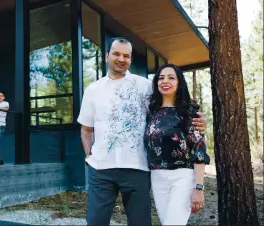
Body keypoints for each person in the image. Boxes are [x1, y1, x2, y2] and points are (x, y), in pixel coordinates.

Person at [77, 37, 207, 226]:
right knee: (96, 221)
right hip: (101, 170)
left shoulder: (145, 86)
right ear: (106, 56)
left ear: (130, 59)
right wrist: (89, 157)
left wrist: (197, 119)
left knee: (140, 222)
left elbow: (168, 109)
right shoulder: (93, 90)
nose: (121, 59)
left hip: (137, 168)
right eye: (116, 54)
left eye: (126, 56)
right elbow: (86, 129)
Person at [144, 64, 210, 225]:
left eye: (171, 77)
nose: (165, 81)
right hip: (157, 177)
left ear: (179, 83)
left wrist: (198, 187)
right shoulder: (151, 112)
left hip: (182, 178)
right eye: (161, 78)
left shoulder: (188, 112)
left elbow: (199, 151)